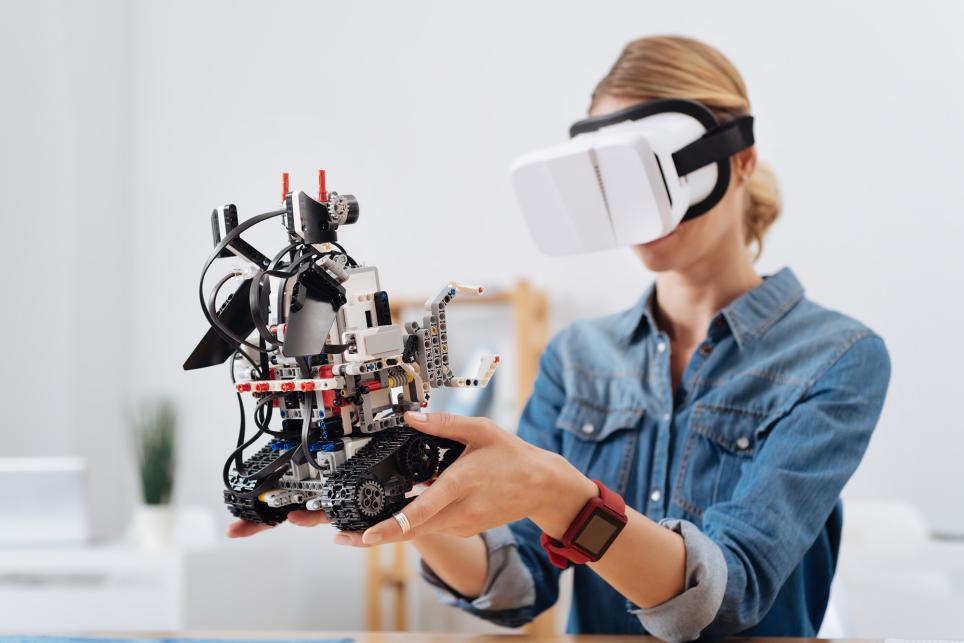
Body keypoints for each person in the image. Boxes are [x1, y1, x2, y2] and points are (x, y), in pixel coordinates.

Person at [229, 35, 891, 641]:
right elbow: (514, 585)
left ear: (739, 162)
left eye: (649, 173)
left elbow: (720, 599)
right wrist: (404, 500)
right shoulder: (580, 356)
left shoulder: (835, 358)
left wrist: (560, 496)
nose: (634, 207)